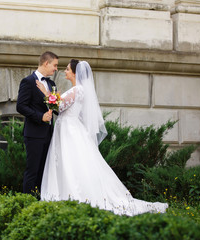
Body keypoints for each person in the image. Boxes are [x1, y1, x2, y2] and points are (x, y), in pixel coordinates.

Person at [37, 59, 168, 216]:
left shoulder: (77, 90)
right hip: (67, 128)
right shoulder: (77, 89)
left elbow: (58, 106)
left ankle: (72, 195)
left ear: (74, 72)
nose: (64, 71)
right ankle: (64, 194)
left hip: (69, 130)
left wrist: (46, 93)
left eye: (66, 69)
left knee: (71, 161)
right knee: (67, 161)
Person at [16, 51, 59, 195]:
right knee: (32, 171)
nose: (56, 69)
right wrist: (40, 117)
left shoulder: (51, 84)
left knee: (43, 172)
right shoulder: (28, 81)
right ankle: (27, 202)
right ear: (46, 63)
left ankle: (40, 203)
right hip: (34, 134)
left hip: (48, 134)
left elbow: (56, 109)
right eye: (55, 65)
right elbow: (20, 106)